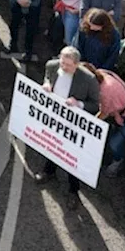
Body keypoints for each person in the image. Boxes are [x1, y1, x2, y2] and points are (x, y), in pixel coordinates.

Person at [34, 47, 101, 189]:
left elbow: (95, 106)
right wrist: (47, 84)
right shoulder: (52, 65)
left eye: (68, 65)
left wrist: (79, 104)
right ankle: (49, 171)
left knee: (71, 157)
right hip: (54, 118)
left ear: (77, 64)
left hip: (73, 124)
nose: (63, 67)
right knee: (52, 146)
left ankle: (73, 190)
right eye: (62, 62)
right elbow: (48, 76)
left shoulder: (89, 79)